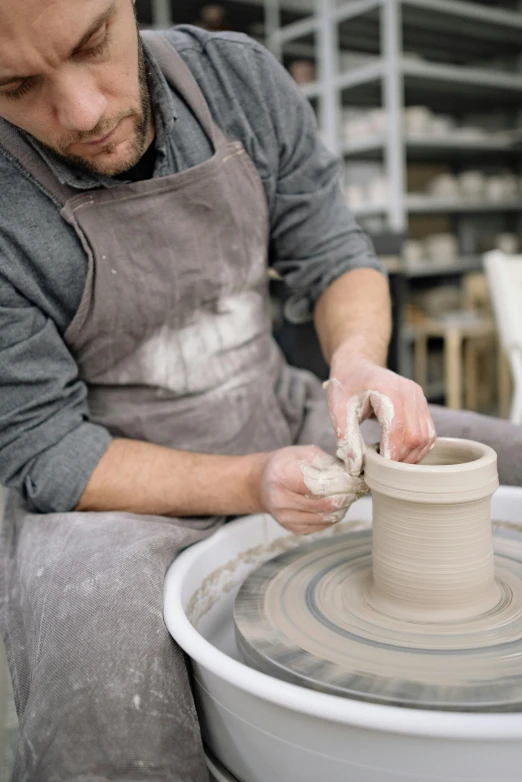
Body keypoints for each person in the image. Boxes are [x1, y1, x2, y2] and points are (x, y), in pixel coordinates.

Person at [0, 1, 521, 780]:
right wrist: (249, 481)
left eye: (93, 44)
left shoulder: (235, 78)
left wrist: (356, 364)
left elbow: (336, 252)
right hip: (111, 484)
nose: (82, 111)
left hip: (278, 408)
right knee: (102, 692)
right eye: (15, 85)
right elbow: (48, 451)